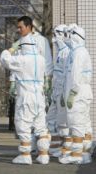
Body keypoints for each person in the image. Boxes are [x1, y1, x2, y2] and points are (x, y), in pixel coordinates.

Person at [0, 33, 50, 165]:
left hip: (26, 97)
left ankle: (25, 155)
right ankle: (44, 155)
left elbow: (5, 60)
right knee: (41, 126)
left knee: (23, 124)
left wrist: (11, 49)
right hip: (39, 97)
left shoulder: (21, 59)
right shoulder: (41, 59)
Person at [59, 24, 93, 164]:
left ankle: (77, 155)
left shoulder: (79, 53)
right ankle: (84, 153)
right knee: (82, 123)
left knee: (76, 123)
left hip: (77, 93)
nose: (68, 37)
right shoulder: (76, 52)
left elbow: (76, 76)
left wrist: (72, 93)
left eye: (71, 34)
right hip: (79, 92)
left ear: (77, 37)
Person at [46, 25, 70, 157]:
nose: (54, 39)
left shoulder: (67, 52)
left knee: (63, 123)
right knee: (50, 120)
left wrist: (64, 93)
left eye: (56, 35)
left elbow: (67, 76)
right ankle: (55, 148)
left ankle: (66, 150)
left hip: (62, 93)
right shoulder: (60, 53)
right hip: (56, 93)